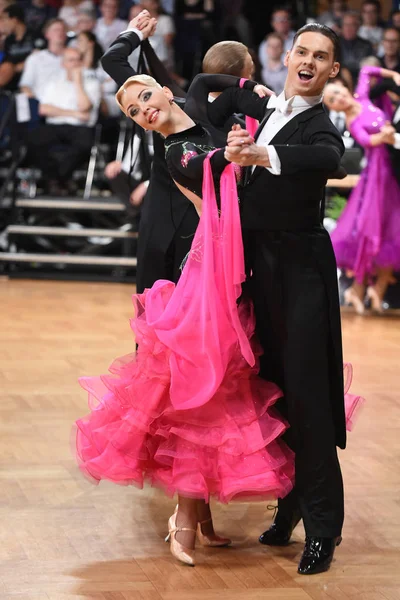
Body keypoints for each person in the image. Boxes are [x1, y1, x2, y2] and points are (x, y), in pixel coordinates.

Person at [74, 72, 296, 568]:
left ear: (166, 91)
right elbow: (213, 163)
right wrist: (242, 145)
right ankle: (183, 523)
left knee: (219, 386)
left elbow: (218, 105)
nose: (143, 109)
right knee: (204, 393)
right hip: (208, 273)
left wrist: (250, 89)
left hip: (226, 264)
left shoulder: (197, 118)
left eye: (145, 96)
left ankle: (203, 521)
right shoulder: (178, 152)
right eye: (134, 111)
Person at [198, 22, 350, 575]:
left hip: (299, 273)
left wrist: (263, 156)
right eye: (302, 52)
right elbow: (198, 94)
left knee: (307, 397)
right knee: (274, 396)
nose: (309, 61)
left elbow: (332, 158)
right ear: (287, 56)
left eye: (322, 57)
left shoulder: (318, 124)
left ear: (333, 70)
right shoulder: (264, 109)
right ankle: (288, 510)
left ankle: (324, 530)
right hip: (256, 271)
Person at [325, 65, 400, 314]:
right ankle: (356, 290)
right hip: (375, 179)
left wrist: (392, 75)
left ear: (345, 89)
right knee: (372, 231)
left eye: (338, 92)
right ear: (333, 108)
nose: (339, 98)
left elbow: (367, 70)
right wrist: (385, 136)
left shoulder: (363, 97)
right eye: (332, 100)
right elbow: (367, 141)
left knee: (392, 230)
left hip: (389, 173)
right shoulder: (352, 120)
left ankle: (375, 291)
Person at [25, 46, 101, 195]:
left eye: (78, 60)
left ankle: (55, 180)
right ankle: (61, 180)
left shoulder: (91, 81)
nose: (75, 64)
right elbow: (43, 109)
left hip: (80, 127)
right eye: (71, 60)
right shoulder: (52, 82)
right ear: (63, 64)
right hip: (55, 125)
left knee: (85, 145)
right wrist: (74, 113)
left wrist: (78, 82)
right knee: (32, 140)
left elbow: (85, 106)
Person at [19, 18, 67, 101]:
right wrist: (35, 104)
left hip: (67, 104)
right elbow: (25, 85)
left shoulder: (73, 57)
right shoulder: (35, 58)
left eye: (63, 30)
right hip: (41, 104)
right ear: (47, 34)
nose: (60, 32)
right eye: (56, 30)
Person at [0, 3, 45, 91]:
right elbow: (7, 61)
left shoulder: (35, 35)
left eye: (5, 19)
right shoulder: (9, 40)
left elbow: (42, 56)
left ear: (14, 20)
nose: (3, 24)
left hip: (33, 75)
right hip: (12, 77)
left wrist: (23, 65)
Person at [339, 11, 374, 84]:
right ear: (342, 26)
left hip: (361, 80)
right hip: (339, 81)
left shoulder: (366, 45)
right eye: (346, 25)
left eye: (352, 25)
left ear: (358, 27)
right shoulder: (334, 43)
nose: (348, 28)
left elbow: (370, 67)